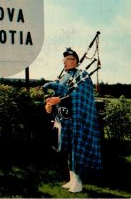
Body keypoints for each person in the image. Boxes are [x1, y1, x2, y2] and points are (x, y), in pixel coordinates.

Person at [45, 48, 102, 193]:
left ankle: (78, 182)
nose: (65, 62)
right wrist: (49, 104)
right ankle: (72, 179)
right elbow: (55, 94)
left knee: (77, 149)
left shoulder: (82, 75)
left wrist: (60, 99)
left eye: (68, 60)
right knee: (68, 150)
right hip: (64, 120)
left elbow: (80, 95)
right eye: (63, 60)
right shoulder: (63, 77)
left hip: (78, 119)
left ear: (75, 61)